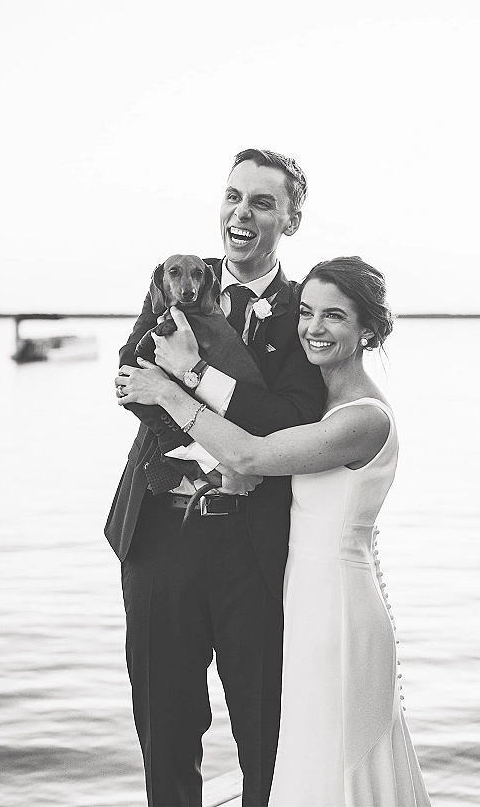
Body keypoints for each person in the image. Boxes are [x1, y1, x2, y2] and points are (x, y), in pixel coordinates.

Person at [116, 256, 433, 807]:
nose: (311, 327)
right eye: (307, 313)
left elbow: (254, 452)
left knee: (311, 750)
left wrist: (176, 386)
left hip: (325, 601)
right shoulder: (191, 284)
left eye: (334, 316)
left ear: (368, 330)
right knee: (300, 751)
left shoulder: (363, 418)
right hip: (283, 583)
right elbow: (134, 374)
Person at [106, 149, 325, 806]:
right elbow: (130, 379)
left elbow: (292, 419)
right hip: (159, 537)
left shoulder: (308, 309)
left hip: (256, 547)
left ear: (290, 219)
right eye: (233, 196)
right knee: (165, 733)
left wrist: (189, 378)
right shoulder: (177, 278)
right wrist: (211, 430)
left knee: (266, 736)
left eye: (262, 202)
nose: (242, 212)